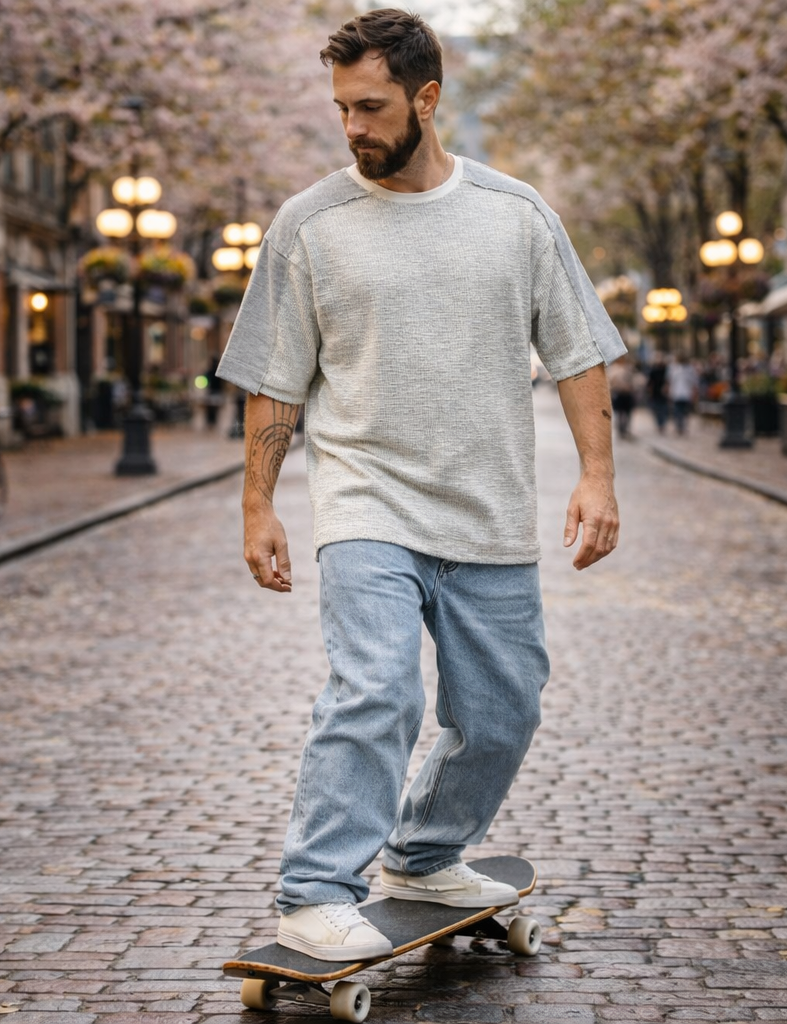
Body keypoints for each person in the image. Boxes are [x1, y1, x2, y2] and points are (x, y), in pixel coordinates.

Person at [216, 9, 624, 963]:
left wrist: (598, 478)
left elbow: (577, 353)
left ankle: (426, 852)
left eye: (371, 106)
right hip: (366, 503)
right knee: (376, 687)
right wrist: (258, 503)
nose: (353, 126)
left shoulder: (515, 215)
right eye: (341, 108)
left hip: (488, 508)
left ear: (426, 99)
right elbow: (276, 377)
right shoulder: (311, 224)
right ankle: (316, 889)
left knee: (503, 708)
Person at [608, 356, 640, 440]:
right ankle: (621, 429)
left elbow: (634, 381)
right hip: (618, 393)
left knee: (627, 412)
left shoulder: (628, 368)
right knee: (619, 413)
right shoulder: (614, 369)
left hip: (628, 394)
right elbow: (610, 381)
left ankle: (625, 429)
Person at [668, 352, 699, 436]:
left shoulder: (688, 369)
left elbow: (694, 382)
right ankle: (680, 426)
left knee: (683, 411)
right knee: (679, 411)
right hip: (678, 393)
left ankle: (682, 427)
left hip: (684, 393)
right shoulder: (675, 368)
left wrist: (694, 392)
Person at [645, 351, 670, 435]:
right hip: (655, 392)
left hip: (663, 393)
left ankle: (662, 424)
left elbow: (669, 380)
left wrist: (667, 387)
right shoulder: (653, 370)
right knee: (656, 409)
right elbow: (650, 382)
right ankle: (660, 424)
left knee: (663, 409)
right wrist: (650, 390)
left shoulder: (666, 369)